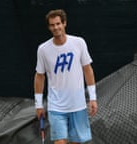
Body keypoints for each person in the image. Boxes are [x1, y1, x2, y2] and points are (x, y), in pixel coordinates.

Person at [34, 9, 98, 144]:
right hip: (56, 106)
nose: (56, 27)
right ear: (49, 27)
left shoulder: (79, 43)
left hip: (78, 105)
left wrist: (93, 98)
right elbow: (39, 76)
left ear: (64, 24)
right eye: (52, 25)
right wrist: (38, 105)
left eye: (58, 24)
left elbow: (88, 70)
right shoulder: (43, 49)